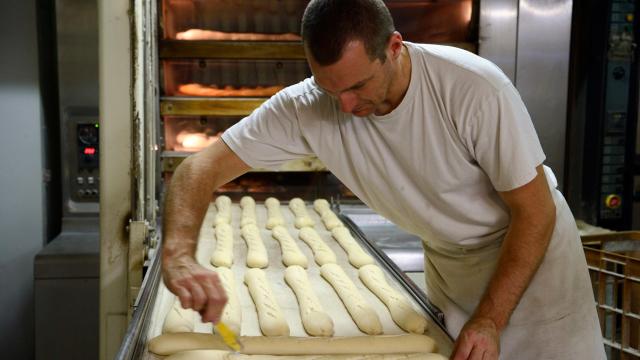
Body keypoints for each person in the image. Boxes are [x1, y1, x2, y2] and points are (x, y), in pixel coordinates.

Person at [162, 0, 606, 359]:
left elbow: (535, 211)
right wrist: (180, 255)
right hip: (452, 264)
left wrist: (491, 318)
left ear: (394, 46)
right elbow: (198, 169)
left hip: (531, 263)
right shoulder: (309, 105)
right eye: (330, 88)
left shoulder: (472, 89)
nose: (347, 106)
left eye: (359, 86)